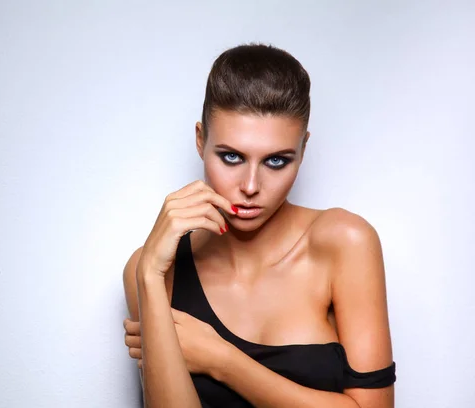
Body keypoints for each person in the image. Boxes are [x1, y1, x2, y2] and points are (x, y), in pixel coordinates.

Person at [122, 43, 396, 408]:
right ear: (201, 140)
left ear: (303, 148)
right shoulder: (156, 270)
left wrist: (223, 361)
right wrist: (148, 277)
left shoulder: (344, 243)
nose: (250, 187)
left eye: (277, 161)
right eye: (231, 157)